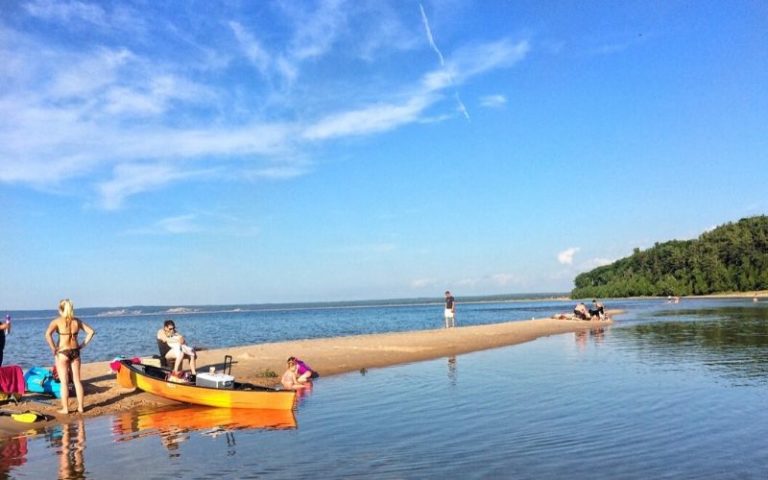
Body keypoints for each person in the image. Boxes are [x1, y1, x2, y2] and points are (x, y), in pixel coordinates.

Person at [44, 299, 95, 414]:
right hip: (75, 351)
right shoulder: (77, 321)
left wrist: (53, 348)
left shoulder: (57, 321)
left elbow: (47, 334)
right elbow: (91, 332)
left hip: (62, 352)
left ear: (60, 309)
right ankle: (81, 407)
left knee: (64, 382)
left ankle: (66, 408)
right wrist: (82, 345)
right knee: (77, 381)